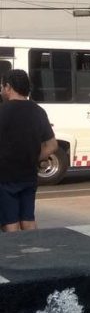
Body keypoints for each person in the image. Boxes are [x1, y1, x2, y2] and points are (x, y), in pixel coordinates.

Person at [0, 70, 57, 232]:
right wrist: (33, 158)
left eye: (2, 86)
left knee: (10, 222)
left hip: (4, 178)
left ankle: (17, 255)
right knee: (28, 219)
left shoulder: (2, 111)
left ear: (8, 87)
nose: (1, 90)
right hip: (29, 175)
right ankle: (34, 251)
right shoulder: (38, 111)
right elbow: (52, 145)